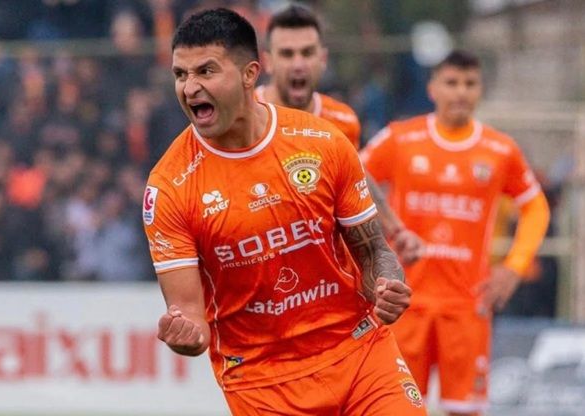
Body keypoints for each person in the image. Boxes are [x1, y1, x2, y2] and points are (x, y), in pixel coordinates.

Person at [144, 8, 427, 416]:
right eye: (180, 74)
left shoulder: (324, 140)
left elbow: (373, 252)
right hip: (262, 381)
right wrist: (185, 336)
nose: (190, 88)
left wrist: (388, 285)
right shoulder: (169, 186)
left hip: (358, 352)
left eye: (206, 71)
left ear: (250, 74)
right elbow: (190, 317)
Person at [360, 50, 550, 416]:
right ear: (432, 88)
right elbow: (352, 177)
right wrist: (370, 251)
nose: (460, 92)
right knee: (396, 407)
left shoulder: (500, 149)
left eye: (469, 83)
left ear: (480, 90)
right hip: (404, 302)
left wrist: (514, 266)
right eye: (451, 82)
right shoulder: (401, 138)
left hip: (467, 304)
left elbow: (535, 206)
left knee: (464, 410)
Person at [257, 3, 423, 265]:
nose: (298, 64)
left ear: (322, 59)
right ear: (268, 61)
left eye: (307, 53)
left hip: (327, 274)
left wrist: (397, 231)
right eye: (287, 54)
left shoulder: (342, 119)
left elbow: (357, 178)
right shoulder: (245, 118)